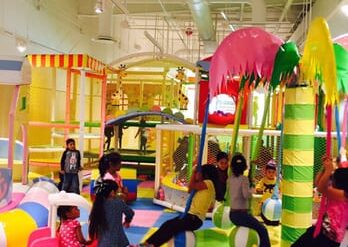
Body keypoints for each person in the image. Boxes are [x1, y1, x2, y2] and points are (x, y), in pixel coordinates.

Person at [140, 164, 219, 247]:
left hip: (195, 218)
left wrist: (193, 172)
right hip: (190, 217)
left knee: (171, 227)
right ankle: (149, 243)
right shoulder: (207, 184)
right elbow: (190, 190)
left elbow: (191, 187)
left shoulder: (208, 183)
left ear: (205, 174)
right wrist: (196, 174)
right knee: (168, 224)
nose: (197, 174)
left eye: (199, 172)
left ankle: (152, 244)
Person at [291, 156, 348, 247]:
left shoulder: (344, 196)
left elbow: (321, 188)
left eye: (333, 181)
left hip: (329, 237)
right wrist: (324, 168)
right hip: (321, 230)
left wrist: (328, 170)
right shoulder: (336, 189)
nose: (331, 182)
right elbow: (318, 182)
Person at [229, 153, 271, 247]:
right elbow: (246, 195)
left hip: (232, 214)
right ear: (244, 167)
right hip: (240, 215)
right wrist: (252, 189)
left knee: (257, 226)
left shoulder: (230, 178)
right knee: (263, 230)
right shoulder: (244, 179)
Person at [89, 179, 134, 247]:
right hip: (118, 240)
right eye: (117, 192)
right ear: (112, 192)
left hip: (103, 242)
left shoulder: (97, 204)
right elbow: (130, 213)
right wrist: (127, 220)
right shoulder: (118, 202)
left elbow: (92, 220)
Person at [255, 160, 279, 225]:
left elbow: (281, 188)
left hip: (274, 203)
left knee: (275, 216)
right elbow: (258, 186)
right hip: (265, 201)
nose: (271, 174)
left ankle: (274, 222)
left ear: (275, 173)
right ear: (265, 172)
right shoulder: (264, 180)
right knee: (264, 215)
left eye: (273, 172)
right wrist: (258, 189)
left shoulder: (277, 181)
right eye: (269, 172)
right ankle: (266, 220)